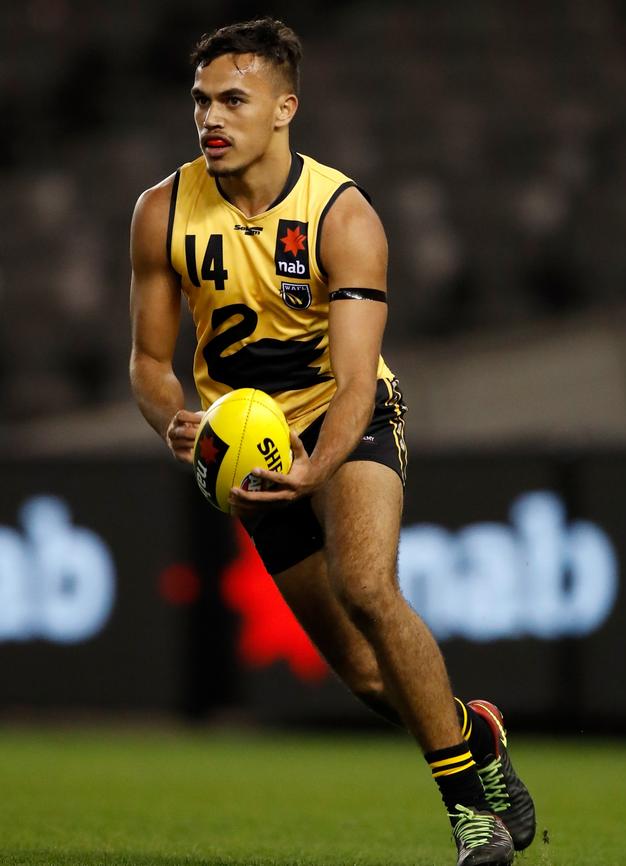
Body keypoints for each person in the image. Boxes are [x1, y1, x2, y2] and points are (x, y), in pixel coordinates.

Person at [129, 18, 535, 866]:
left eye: (233, 99)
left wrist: (317, 464)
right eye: (201, 99)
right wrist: (178, 423)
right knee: (360, 673)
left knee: (368, 586)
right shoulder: (160, 211)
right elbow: (148, 362)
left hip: (341, 421)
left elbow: (354, 382)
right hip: (248, 445)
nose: (211, 116)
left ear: (285, 108)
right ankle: (476, 736)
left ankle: (469, 816)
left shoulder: (342, 215)